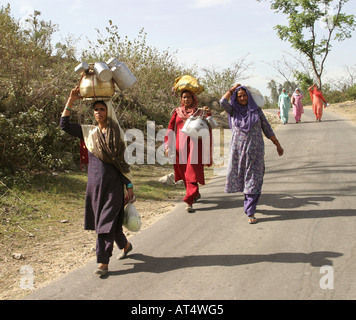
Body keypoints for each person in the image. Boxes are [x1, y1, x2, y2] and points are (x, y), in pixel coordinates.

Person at [60, 86, 135, 276]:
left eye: (102, 109)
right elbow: (64, 125)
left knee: (104, 224)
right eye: (96, 109)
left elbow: (122, 163)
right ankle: (125, 246)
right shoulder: (88, 132)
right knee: (113, 224)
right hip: (95, 186)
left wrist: (129, 184)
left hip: (113, 187)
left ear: (108, 111)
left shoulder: (116, 134)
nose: (98, 112)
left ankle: (103, 262)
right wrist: (72, 99)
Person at [220, 84, 284, 224]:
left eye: (244, 95)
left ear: (249, 96)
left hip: (256, 152)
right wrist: (232, 90)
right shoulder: (233, 111)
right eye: (239, 96)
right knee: (244, 179)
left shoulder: (256, 111)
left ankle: (250, 210)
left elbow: (267, 129)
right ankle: (248, 203)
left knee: (254, 180)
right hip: (238, 152)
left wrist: (277, 144)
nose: (242, 98)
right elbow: (222, 102)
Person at [164, 90, 212, 212]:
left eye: (189, 97)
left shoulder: (200, 112)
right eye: (184, 97)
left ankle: (189, 201)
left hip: (195, 147)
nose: (186, 100)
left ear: (193, 98)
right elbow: (170, 129)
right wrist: (167, 146)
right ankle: (195, 193)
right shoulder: (177, 112)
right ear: (181, 99)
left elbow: (209, 124)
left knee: (191, 172)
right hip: (180, 148)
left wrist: (209, 113)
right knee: (185, 173)